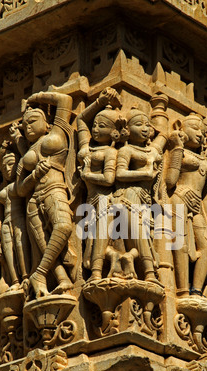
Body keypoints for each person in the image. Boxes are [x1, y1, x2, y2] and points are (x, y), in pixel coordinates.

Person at [14, 91, 75, 299]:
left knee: (64, 227)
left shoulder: (55, 134)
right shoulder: (26, 154)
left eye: (33, 121)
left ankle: (39, 273)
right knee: (43, 243)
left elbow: (65, 100)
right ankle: (62, 279)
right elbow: (20, 189)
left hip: (55, 189)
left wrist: (35, 98)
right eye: (24, 125)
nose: (28, 126)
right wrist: (33, 176)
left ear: (47, 123)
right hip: (33, 200)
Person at [114, 105, 168, 284]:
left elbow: (163, 135)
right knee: (139, 236)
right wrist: (145, 174)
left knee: (146, 236)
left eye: (147, 125)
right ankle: (149, 273)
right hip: (130, 196)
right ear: (127, 130)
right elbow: (120, 174)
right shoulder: (126, 150)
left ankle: (130, 258)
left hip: (145, 200)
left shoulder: (151, 150)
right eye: (139, 124)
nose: (145, 128)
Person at [166, 113, 207, 298]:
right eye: (195, 128)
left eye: (202, 131)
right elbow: (170, 181)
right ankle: (182, 290)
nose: (200, 134)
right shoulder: (180, 151)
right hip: (179, 198)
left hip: (197, 206)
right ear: (180, 127)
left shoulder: (205, 162)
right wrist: (177, 148)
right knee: (179, 243)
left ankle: (196, 291)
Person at [77, 87, 123, 281]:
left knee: (100, 237)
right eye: (95, 125)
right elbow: (80, 120)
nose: (95, 129)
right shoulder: (87, 146)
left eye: (102, 126)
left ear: (114, 132)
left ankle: (97, 274)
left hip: (105, 199)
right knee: (89, 242)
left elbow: (109, 179)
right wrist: (99, 103)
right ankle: (105, 265)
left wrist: (87, 175)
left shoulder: (110, 152)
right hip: (90, 198)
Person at [0, 141, 31, 293]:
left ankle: (26, 277)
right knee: (8, 250)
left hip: (20, 219)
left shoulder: (20, 185)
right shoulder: (1, 193)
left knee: (21, 246)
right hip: (5, 224)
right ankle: (15, 280)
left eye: (12, 164)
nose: (8, 168)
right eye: (5, 166)